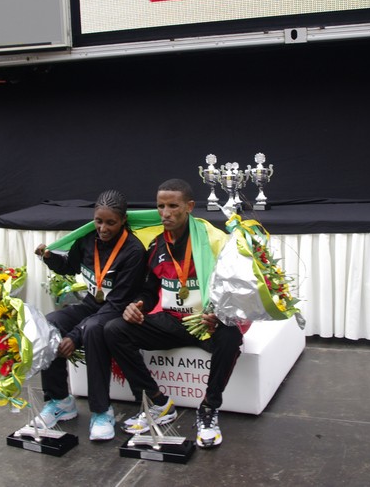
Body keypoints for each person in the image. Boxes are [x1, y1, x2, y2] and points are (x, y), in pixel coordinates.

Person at [104, 178, 240, 449]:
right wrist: (138, 305)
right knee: (114, 329)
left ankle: (209, 408)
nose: (165, 213)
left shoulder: (212, 240)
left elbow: (233, 288)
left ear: (189, 206)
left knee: (231, 336)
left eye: (173, 206)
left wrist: (218, 314)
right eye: (160, 206)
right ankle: (157, 403)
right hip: (172, 322)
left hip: (206, 323)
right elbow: (149, 290)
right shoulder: (156, 245)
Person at [32, 189, 146, 441]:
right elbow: (70, 267)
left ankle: (101, 410)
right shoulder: (86, 240)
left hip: (118, 310)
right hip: (92, 305)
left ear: (123, 220)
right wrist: (49, 258)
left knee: (93, 329)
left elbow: (117, 302)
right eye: (98, 221)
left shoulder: (133, 251)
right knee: (50, 323)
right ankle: (60, 401)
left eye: (111, 222)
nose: (103, 228)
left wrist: (75, 335)